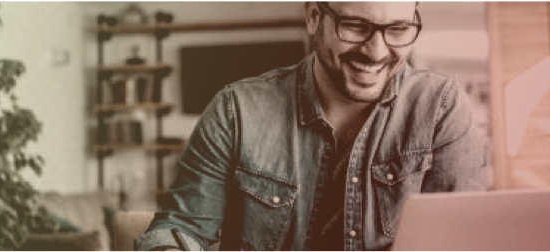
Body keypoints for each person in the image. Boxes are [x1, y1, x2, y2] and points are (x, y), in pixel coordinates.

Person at [135, 2, 488, 250]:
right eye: (356, 26)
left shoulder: (440, 107)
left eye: (398, 29)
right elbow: (182, 227)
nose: (377, 51)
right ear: (314, 17)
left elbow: (465, 240)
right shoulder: (236, 110)